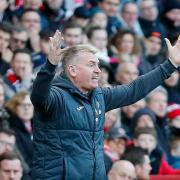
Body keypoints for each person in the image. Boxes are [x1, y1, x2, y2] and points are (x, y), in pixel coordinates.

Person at [30, 30, 180, 179]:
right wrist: (50, 66)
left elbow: (134, 90)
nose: (98, 71)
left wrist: (170, 65)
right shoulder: (57, 96)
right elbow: (38, 96)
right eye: (91, 65)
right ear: (72, 70)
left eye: (98, 65)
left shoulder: (99, 97)